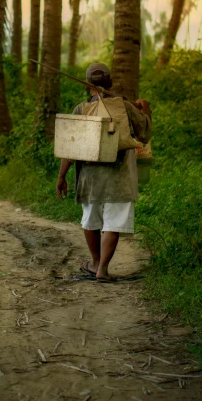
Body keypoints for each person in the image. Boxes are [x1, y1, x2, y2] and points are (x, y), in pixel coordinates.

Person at [55, 63, 152, 282]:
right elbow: (144, 134)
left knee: (91, 219)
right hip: (119, 176)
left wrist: (62, 177)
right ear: (109, 82)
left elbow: (70, 148)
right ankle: (103, 270)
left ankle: (95, 263)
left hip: (90, 177)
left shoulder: (80, 109)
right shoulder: (124, 106)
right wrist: (145, 109)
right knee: (113, 222)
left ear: (87, 86)